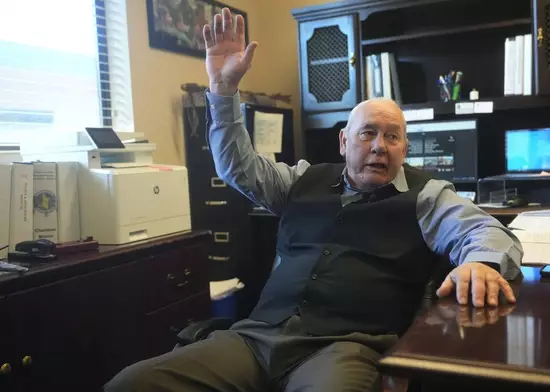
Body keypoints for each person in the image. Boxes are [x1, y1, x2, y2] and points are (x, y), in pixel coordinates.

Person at [105, 8, 523, 392]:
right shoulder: (301, 180)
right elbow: (238, 167)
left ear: (404, 149)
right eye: (367, 133)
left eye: (392, 137)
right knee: (133, 383)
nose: (380, 146)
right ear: (344, 141)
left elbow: (485, 229)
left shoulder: (427, 195)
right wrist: (222, 91)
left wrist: (480, 264)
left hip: (345, 346)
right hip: (255, 338)